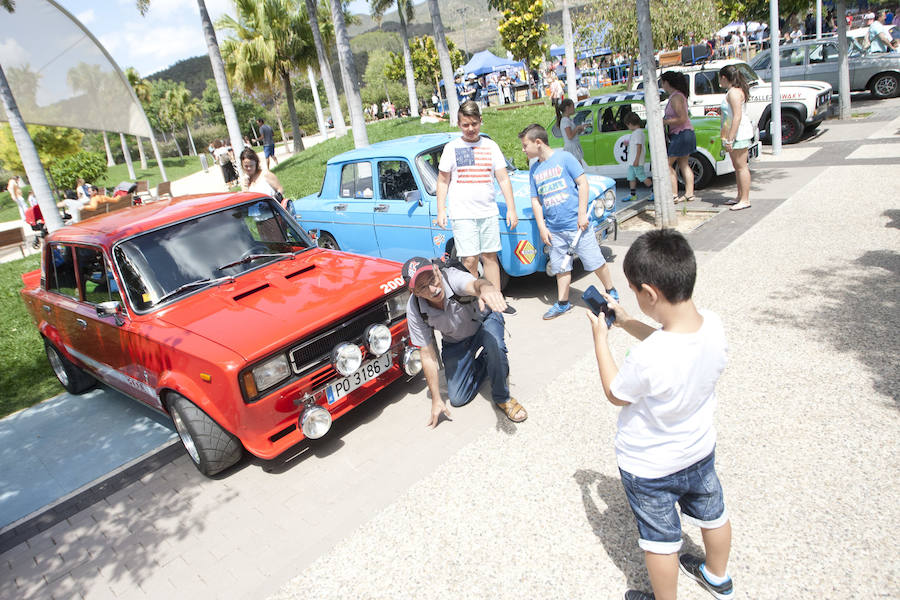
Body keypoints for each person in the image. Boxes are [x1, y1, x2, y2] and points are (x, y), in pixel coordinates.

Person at [586, 229, 734, 600]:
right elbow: (668, 340)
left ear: (648, 293)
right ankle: (718, 577)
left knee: (660, 540)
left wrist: (600, 341)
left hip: (651, 465)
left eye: (634, 292)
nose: (635, 298)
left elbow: (615, 393)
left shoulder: (649, 358)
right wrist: (623, 322)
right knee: (713, 513)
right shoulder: (713, 326)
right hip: (699, 451)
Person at [402, 256, 527, 427]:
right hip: (456, 340)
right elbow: (427, 355)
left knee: (494, 345)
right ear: (415, 292)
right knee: (458, 398)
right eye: (423, 287)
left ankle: (502, 397)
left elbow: (475, 285)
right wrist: (436, 399)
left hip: (484, 323)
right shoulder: (415, 308)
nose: (433, 289)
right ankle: (490, 361)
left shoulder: (452, 277)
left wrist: (486, 288)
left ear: (437, 271)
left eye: (432, 278)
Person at [518, 123, 617, 320]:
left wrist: (582, 214)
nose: (523, 150)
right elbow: (535, 200)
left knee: (595, 262)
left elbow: (583, 183)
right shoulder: (535, 170)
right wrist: (542, 227)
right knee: (561, 268)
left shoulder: (564, 158)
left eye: (525, 145)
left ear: (538, 143)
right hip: (555, 230)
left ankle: (611, 291)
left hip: (576, 226)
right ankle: (563, 303)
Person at [436, 101, 517, 291]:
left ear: (481, 121)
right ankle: (475, 303)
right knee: (470, 260)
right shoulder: (451, 148)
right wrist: (441, 209)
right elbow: (442, 181)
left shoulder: (491, 146)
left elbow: (504, 179)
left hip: (488, 211)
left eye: (474, 124)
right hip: (462, 214)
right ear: (459, 124)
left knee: (490, 257)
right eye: (466, 125)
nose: (470, 129)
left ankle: (495, 302)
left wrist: (511, 209)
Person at [719, 65, 754, 211]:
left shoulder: (733, 93)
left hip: (739, 135)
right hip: (735, 134)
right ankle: (740, 196)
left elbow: (736, 116)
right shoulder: (735, 91)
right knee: (737, 167)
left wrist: (730, 138)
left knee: (741, 167)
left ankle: (745, 199)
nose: (719, 81)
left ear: (724, 78)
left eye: (719, 78)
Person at [660, 71, 698, 205]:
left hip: (680, 134)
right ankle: (689, 193)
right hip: (685, 133)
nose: (662, 85)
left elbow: (682, 118)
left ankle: (673, 194)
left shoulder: (676, 97)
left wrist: (664, 122)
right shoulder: (678, 96)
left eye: (662, 82)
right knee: (683, 163)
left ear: (667, 83)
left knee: (667, 164)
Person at [623, 113, 653, 203]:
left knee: (642, 177)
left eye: (627, 125)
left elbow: (639, 147)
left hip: (636, 161)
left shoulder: (638, 133)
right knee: (631, 177)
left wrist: (636, 160)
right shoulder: (636, 133)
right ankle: (633, 194)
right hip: (632, 161)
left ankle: (654, 191)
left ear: (630, 124)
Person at [556, 98, 587, 168]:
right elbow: (569, 136)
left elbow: (573, 134)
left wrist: (580, 129)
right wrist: (577, 128)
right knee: (578, 168)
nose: (574, 109)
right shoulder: (565, 121)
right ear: (567, 108)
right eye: (573, 106)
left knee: (578, 167)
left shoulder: (569, 120)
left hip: (574, 146)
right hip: (571, 148)